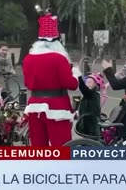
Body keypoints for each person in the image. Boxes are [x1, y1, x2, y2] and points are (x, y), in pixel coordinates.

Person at [22, 11, 81, 146]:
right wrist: (76, 73)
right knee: (61, 146)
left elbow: (27, 83)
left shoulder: (28, 59)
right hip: (57, 107)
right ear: (56, 42)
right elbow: (71, 84)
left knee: (38, 147)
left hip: (34, 106)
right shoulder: (59, 59)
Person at [75, 73, 107, 137]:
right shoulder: (93, 95)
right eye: (86, 81)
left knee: (89, 143)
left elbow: (83, 88)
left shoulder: (91, 94)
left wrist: (79, 77)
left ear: (96, 85)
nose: (87, 83)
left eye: (90, 82)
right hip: (90, 125)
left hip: (90, 126)